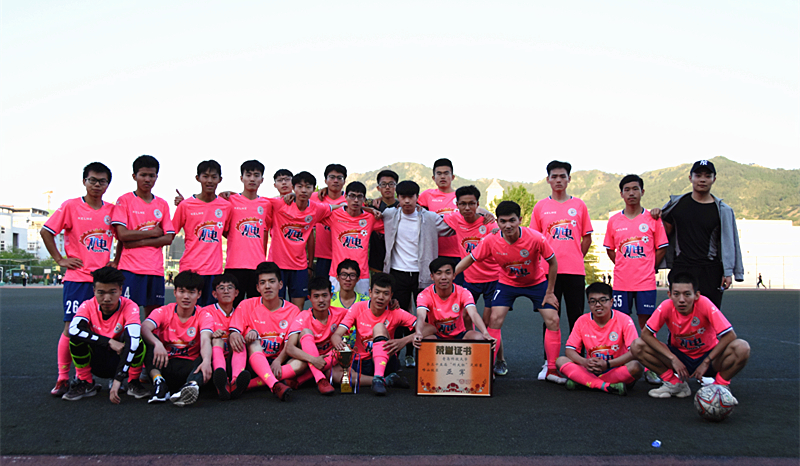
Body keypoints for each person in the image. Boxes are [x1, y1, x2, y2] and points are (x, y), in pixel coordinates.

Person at [455, 200, 565, 384]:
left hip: (536, 283)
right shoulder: (490, 240)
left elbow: (553, 262)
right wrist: (451, 275)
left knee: (553, 319)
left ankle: (551, 369)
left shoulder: (536, 238)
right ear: (497, 222)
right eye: (503, 221)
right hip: (507, 284)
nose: (508, 225)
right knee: (495, 319)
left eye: (512, 220)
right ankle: (488, 368)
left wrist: (550, 292)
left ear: (520, 220)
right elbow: (470, 258)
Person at [41, 162, 119, 396]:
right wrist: (59, 259)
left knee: (106, 329)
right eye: (92, 180)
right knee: (71, 328)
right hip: (78, 279)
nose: (97, 185)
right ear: (84, 181)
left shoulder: (113, 210)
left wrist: (116, 260)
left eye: (102, 181)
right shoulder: (71, 206)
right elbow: (46, 231)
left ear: (108, 184)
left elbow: (123, 236)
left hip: (103, 282)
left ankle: (93, 377)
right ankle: (63, 378)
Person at [630, 272, 750, 399]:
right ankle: (674, 383)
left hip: (709, 357)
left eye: (687, 294)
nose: (681, 299)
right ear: (669, 295)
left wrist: (707, 361)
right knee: (637, 345)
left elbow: (730, 335)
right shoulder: (666, 306)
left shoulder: (705, 304)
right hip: (680, 357)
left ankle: (719, 386)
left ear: (696, 295)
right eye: (676, 294)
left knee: (742, 347)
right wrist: (673, 358)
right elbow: (646, 334)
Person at [529, 160, 593, 380]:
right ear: (548, 179)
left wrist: (575, 256)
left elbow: (586, 238)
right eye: (554, 176)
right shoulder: (540, 207)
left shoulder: (580, 205)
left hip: (575, 272)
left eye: (562, 176)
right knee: (549, 317)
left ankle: (579, 360)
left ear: (569, 179)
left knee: (577, 318)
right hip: (548, 274)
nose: (558, 180)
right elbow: (535, 240)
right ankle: (548, 362)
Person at [650, 160, 744, 308]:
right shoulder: (677, 204)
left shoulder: (722, 211)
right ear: (690, 178)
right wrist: (656, 215)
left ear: (714, 179)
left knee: (709, 314)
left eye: (707, 176)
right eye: (698, 175)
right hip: (682, 267)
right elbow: (662, 232)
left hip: (710, 270)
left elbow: (730, 242)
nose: (702, 179)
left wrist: (728, 272)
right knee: (679, 314)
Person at [603, 174, 669, 385]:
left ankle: (651, 368)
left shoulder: (652, 218)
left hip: (645, 282)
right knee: (621, 324)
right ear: (621, 194)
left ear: (642, 192)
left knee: (647, 326)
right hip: (621, 282)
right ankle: (622, 365)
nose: (631, 193)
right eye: (627, 189)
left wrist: (650, 266)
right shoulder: (614, 221)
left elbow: (661, 248)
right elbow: (610, 250)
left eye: (635, 189)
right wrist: (623, 265)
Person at [382, 180, 454, 368]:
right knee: (398, 316)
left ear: (417, 198)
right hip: (397, 273)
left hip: (423, 274)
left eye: (411, 197)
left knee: (426, 317)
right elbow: (368, 212)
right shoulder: (389, 215)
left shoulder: (430, 218)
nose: (407, 201)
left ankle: (419, 356)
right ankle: (395, 357)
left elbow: (454, 226)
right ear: (397, 197)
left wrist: (483, 213)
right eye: (403, 197)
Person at [441, 185, 508, 376]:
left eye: (471, 203)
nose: (467, 207)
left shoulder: (490, 225)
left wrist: (487, 214)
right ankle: (471, 353)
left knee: (489, 322)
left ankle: (499, 360)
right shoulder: (454, 219)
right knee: (465, 317)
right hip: (470, 280)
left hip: (493, 279)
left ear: (478, 204)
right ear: (457, 205)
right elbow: (435, 215)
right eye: (463, 204)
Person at [62, 266, 147, 403]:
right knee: (76, 339)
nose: (107, 298)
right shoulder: (87, 305)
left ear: (121, 290)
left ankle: (133, 382)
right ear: (94, 291)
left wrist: (119, 378)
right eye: (101, 292)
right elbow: (73, 330)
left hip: (120, 360)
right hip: (97, 359)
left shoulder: (130, 306)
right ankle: (86, 382)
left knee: (137, 340)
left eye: (112, 292)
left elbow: (134, 341)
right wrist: (108, 341)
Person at [331, 273, 419, 395]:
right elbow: (337, 334)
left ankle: (378, 377)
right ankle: (386, 380)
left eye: (386, 293)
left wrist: (404, 341)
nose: (381, 297)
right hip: (362, 362)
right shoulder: (358, 308)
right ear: (370, 293)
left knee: (379, 327)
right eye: (377, 292)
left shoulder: (396, 311)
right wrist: (338, 342)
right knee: (334, 374)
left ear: (391, 296)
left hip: (387, 362)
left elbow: (429, 329)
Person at [266, 171, 341, 310]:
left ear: (313, 189)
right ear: (293, 187)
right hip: (277, 265)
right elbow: (254, 200)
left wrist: (367, 207)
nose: (304, 190)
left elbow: (337, 207)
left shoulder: (316, 208)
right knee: (276, 305)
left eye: (308, 187)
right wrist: (230, 194)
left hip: (299, 267)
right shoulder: (280, 204)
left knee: (297, 307)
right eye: (300, 187)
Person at [111, 155, 175, 316]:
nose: (147, 179)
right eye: (143, 175)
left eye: (151, 175)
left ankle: (149, 336)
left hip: (155, 270)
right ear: (134, 176)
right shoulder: (124, 201)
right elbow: (122, 234)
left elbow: (168, 238)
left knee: (153, 317)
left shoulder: (162, 204)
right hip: (130, 269)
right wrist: (152, 233)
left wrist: (136, 242)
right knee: (126, 314)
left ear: (156, 177)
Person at [555, 282, 642, 396]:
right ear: (589, 303)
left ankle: (584, 381)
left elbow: (634, 352)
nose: (598, 305)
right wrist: (585, 362)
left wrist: (608, 364)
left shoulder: (624, 320)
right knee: (560, 361)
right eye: (593, 301)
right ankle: (605, 386)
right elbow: (570, 350)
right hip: (591, 369)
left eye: (603, 300)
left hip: (615, 367)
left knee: (636, 367)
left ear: (611, 301)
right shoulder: (582, 320)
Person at [227, 261, 296, 401]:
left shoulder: (293, 310)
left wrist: (278, 360)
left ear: (280, 285)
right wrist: (235, 334)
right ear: (258, 288)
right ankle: (274, 384)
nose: (267, 286)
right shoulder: (246, 305)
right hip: (251, 363)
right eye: (263, 283)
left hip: (279, 362)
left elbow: (291, 344)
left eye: (272, 281)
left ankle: (246, 385)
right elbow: (234, 332)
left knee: (301, 361)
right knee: (250, 341)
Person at [142, 271, 212, 406]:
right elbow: (144, 327)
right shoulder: (163, 311)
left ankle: (190, 386)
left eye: (191, 292)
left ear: (199, 294)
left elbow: (205, 340)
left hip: (189, 368)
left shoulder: (204, 315)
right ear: (175, 292)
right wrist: (157, 343)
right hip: (164, 364)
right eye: (182, 291)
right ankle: (159, 383)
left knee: (210, 353)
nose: (186, 296)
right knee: (146, 339)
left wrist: (207, 361)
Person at [172, 160, 231, 307]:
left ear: (220, 179)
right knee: (188, 311)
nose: (209, 181)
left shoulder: (226, 206)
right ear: (198, 178)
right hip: (190, 269)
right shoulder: (185, 205)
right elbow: (170, 233)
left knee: (210, 313)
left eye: (214, 177)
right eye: (205, 176)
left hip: (214, 270)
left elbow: (228, 232)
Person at [220, 160, 272, 307]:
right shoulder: (230, 201)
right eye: (248, 175)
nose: (252, 179)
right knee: (231, 307)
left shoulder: (266, 205)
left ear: (262, 179)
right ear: (241, 178)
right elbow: (223, 229)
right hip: (234, 264)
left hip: (257, 266)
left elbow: (265, 230)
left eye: (256, 175)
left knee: (255, 307)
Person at [283, 276, 347, 395]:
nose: (321, 300)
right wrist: (313, 360)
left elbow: (362, 315)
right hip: (305, 359)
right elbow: (290, 348)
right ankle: (320, 379)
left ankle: (301, 380)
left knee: (344, 348)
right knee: (306, 332)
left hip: (327, 360)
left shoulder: (341, 313)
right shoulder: (303, 317)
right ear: (309, 298)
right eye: (316, 296)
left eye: (324, 295)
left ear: (331, 296)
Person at [322, 181, 383, 294]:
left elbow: (391, 222)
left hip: (361, 275)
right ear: (345, 196)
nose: (356, 200)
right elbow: (313, 209)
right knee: (335, 305)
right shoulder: (335, 215)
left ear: (364, 199)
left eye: (359, 197)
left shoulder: (371, 218)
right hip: (337, 274)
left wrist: (371, 209)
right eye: (352, 196)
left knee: (361, 305)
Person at [413, 258, 493, 344]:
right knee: (424, 342)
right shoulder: (424, 295)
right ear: (432, 277)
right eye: (439, 273)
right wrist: (419, 333)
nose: (443, 277)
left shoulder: (463, 292)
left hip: (460, 335)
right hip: (436, 336)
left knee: (480, 338)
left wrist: (485, 333)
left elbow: (473, 313)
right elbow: (421, 316)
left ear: (454, 275)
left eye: (448, 273)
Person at [199, 273, 247, 401]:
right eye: (221, 288)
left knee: (240, 339)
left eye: (230, 287)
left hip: (234, 360)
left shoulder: (241, 313)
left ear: (236, 293)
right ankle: (222, 380)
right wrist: (212, 334)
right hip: (212, 360)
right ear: (214, 294)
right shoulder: (206, 311)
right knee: (217, 340)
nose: (226, 291)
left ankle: (236, 380)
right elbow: (203, 334)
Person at [418, 158, 462, 283]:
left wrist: (488, 215)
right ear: (433, 177)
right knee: (438, 290)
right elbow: (409, 206)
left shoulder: (460, 196)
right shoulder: (427, 195)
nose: (442, 176)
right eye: (439, 173)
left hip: (459, 253)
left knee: (459, 290)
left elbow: (476, 209)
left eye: (446, 173)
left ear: (453, 177)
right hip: (435, 253)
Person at [310, 164, 349, 280]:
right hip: (322, 255)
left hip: (344, 255)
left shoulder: (351, 199)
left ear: (344, 181)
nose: (335, 181)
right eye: (332, 177)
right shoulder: (315, 197)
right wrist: (292, 195)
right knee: (322, 288)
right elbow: (300, 200)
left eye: (339, 178)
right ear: (325, 180)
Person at [368, 169, 399, 274]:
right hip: (376, 261)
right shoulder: (372, 206)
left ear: (396, 187)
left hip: (397, 261)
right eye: (383, 184)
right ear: (378, 188)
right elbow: (351, 204)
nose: (387, 187)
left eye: (391, 184)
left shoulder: (402, 207)